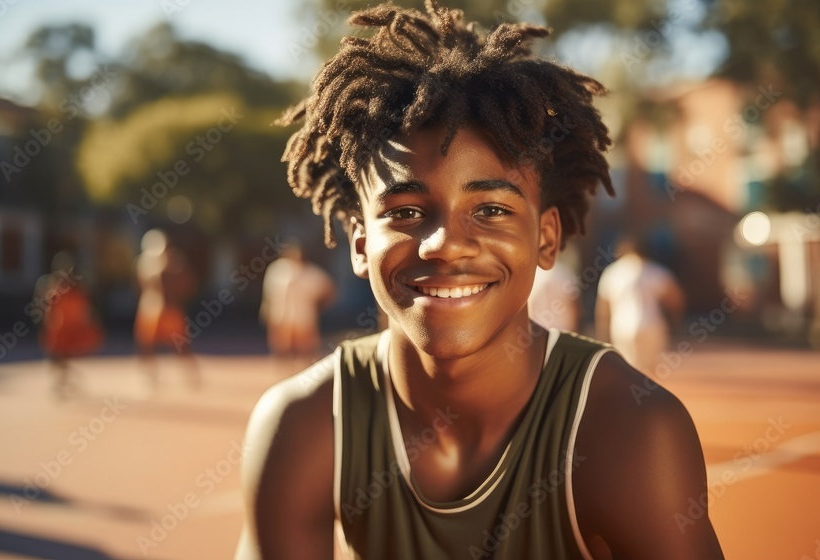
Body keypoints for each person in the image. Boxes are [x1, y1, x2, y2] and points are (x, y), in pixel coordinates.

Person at [236, 2, 723, 558]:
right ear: (360, 242)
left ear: (545, 239)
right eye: (405, 211)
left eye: (490, 210)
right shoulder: (305, 424)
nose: (444, 243)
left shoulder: (630, 429)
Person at [595, 236, 686, 375]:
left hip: (622, 327)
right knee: (651, 371)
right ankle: (646, 395)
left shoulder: (612, 272)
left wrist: (602, 331)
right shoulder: (655, 270)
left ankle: (630, 395)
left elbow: (603, 307)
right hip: (651, 325)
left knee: (628, 370)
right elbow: (676, 298)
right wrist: (675, 319)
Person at [134, 229, 200, 389]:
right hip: (150, 306)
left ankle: (191, 373)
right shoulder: (144, 262)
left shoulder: (173, 260)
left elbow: (187, 282)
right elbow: (141, 283)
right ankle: (149, 376)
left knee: (180, 343)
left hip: (170, 308)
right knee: (146, 343)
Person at [37, 252, 104, 398]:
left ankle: (66, 379)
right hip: (58, 328)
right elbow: (48, 308)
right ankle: (65, 379)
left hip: (69, 327)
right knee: (58, 358)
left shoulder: (76, 287)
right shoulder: (52, 286)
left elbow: (84, 307)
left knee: (62, 357)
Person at [260, 243, 337, 360]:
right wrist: (266, 310)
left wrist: (321, 305)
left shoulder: (311, 272)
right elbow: (269, 294)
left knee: (306, 348)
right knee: (282, 347)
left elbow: (328, 288)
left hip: (303, 316)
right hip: (281, 314)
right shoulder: (278, 270)